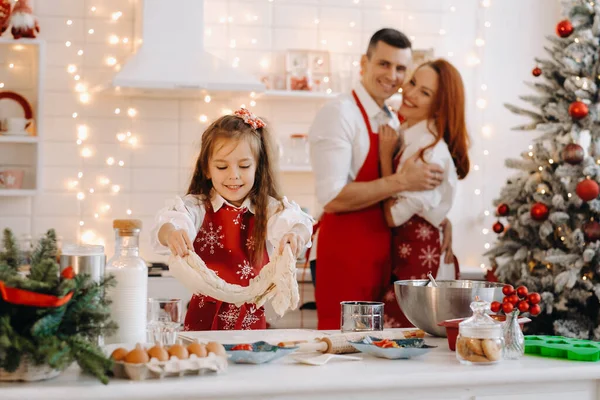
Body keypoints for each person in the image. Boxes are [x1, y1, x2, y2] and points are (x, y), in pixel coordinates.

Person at [308, 28, 452, 330]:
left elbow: (403, 198)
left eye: (401, 68)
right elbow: (332, 197)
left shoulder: (391, 118)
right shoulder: (339, 114)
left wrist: (437, 218)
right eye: (384, 64)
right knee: (342, 350)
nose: (393, 75)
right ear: (364, 63)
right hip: (345, 254)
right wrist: (402, 181)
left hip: (384, 258)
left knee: (377, 360)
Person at [151, 108, 313, 331]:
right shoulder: (195, 207)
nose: (233, 175)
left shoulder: (268, 210)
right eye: (222, 166)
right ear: (207, 169)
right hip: (202, 319)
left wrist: (296, 234)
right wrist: (172, 233)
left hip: (250, 319)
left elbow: (300, 223)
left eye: (244, 166)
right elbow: (169, 223)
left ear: (258, 168)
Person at [379, 59, 470, 328]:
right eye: (414, 83)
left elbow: (393, 216)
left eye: (425, 93)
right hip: (405, 254)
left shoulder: (428, 153)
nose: (410, 93)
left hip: (416, 259)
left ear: (439, 106)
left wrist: (385, 159)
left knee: (403, 338)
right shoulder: (407, 132)